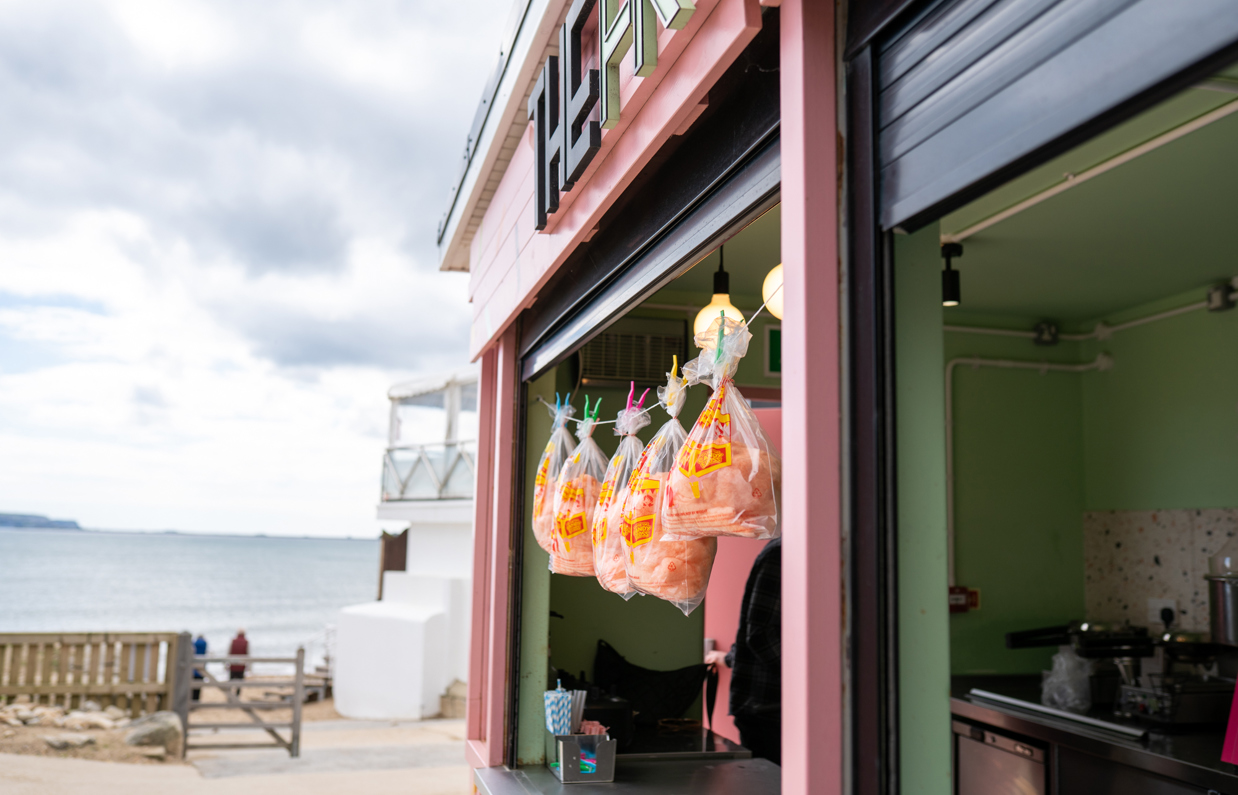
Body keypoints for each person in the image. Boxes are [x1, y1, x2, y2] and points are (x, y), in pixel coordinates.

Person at [705, 537, 781, 764]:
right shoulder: (782, 553)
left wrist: (729, 658)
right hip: (768, 709)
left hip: (771, 707)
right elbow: (760, 633)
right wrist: (811, 680)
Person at [192, 634, 207, 701]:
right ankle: (197, 700)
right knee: (199, 687)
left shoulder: (194, 643)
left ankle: (193, 699)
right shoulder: (204, 644)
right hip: (201, 668)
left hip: (193, 669)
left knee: (193, 687)